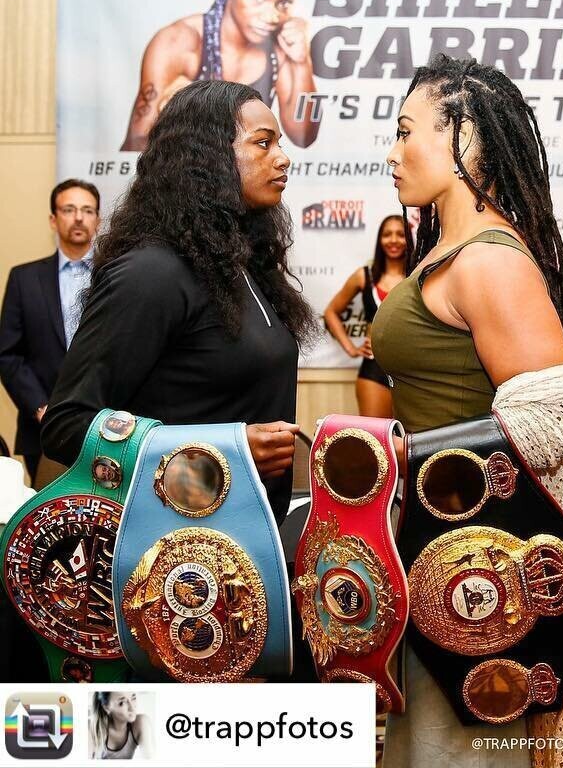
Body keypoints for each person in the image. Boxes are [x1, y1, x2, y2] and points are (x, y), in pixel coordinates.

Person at [372, 54, 563, 768]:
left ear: (464, 139)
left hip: (471, 571)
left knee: (460, 751)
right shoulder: (452, 248)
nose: (393, 152)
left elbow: (556, 419)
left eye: (406, 131)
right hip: (435, 545)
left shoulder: (488, 259)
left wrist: (403, 457)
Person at [43, 80, 318, 525]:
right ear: (207, 157)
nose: (283, 158)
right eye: (263, 143)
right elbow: (67, 425)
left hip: (240, 540)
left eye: (280, 144)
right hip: (170, 548)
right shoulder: (151, 273)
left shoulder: (238, 265)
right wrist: (224, 451)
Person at [121, 0, 319, 152]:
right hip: (186, 172)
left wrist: (302, 62)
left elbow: (304, 135)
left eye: (285, 2)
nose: (272, 16)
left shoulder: (282, 46)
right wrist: (179, 121)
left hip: (244, 174)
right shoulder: (180, 42)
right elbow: (136, 144)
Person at [0, 179, 100, 483]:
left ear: (98, 220)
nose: (79, 217)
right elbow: (8, 355)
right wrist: (41, 407)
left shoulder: (115, 276)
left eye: (87, 210)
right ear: (53, 220)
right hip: (41, 431)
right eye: (69, 209)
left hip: (105, 428)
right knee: (47, 511)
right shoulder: (24, 279)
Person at [323, 214, 407, 417]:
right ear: (379, 240)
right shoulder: (364, 276)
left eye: (400, 234)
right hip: (373, 371)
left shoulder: (417, 274)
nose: (394, 240)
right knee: (374, 435)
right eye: (387, 234)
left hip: (411, 371)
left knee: (410, 436)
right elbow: (331, 312)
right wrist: (351, 348)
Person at [89, 692, 153, 760]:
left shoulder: (141, 722)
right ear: (106, 708)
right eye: (122, 703)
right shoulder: (91, 728)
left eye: (133, 698)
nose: (132, 708)